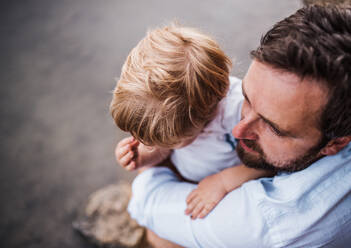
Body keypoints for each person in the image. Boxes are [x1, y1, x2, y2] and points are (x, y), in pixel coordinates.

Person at [125, 5, 351, 248]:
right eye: (247, 97)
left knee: (159, 238)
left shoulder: (275, 222)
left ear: (336, 142)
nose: (237, 130)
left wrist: (155, 167)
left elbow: (147, 203)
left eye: (274, 127)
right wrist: (157, 148)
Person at [110, 24, 273, 221]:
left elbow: (270, 162)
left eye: (171, 141)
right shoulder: (183, 117)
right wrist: (144, 157)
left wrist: (223, 182)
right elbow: (167, 149)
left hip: (229, 183)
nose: (155, 145)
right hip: (193, 175)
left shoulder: (239, 113)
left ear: (207, 113)